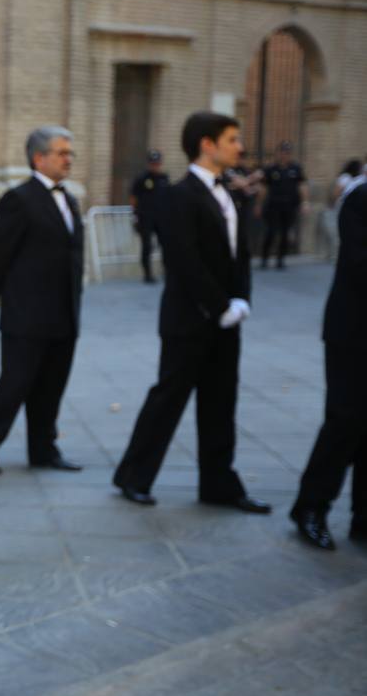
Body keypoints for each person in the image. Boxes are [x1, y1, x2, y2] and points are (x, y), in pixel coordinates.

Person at [111, 112, 271, 514]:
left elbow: (240, 255)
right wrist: (218, 306)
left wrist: (241, 300)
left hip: (228, 320)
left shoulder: (229, 192)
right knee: (168, 399)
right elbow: (183, 261)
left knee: (221, 403)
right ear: (207, 144)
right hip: (189, 320)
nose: (240, 147)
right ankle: (133, 477)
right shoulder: (177, 195)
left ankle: (219, 484)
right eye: (232, 139)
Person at [0, 127, 84, 475]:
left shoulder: (70, 199)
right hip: (26, 314)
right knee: (15, 382)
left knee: (51, 385)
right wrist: (1, 295)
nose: (68, 159)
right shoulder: (18, 199)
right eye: (62, 153)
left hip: (65, 312)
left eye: (70, 153)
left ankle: (43, 449)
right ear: (39, 158)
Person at [288, 173, 367, 549]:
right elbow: (359, 262)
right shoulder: (359, 200)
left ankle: (363, 518)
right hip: (354, 335)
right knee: (345, 420)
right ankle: (310, 507)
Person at [258, 140, 308, 269]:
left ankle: (280, 260)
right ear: (278, 153)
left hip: (289, 206)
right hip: (273, 205)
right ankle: (264, 259)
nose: (284, 155)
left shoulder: (296, 169)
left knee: (285, 233)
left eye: (287, 153)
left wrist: (304, 202)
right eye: (282, 152)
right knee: (271, 232)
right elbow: (264, 188)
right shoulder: (271, 169)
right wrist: (258, 204)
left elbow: (301, 186)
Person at [130, 150, 169, 283]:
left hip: (161, 217)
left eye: (157, 163)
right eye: (153, 163)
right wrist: (134, 214)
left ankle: (166, 271)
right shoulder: (142, 178)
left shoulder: (164, 178)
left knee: (166, 244)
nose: (155, 166)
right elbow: (133, 197)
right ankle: (147, 274)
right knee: (147, 246)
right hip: (145, 217)